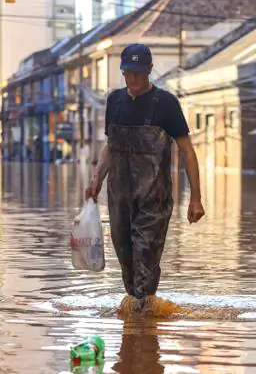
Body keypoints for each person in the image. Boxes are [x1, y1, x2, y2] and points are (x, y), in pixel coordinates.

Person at [84, 43, 205, 311]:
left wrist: (195, 198)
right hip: (119, 198)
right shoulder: (115, 101)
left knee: (145, 261)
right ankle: (136, 334)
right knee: (126, 263)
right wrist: (96, 180)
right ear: (122, 72)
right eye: (128, 72)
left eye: (139, 72)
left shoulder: (166, 104)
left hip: (154, 200)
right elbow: (110, 145)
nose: (133, 79)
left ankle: (144, 329)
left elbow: (186, 150)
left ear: (149, 70)